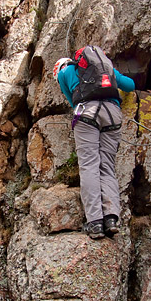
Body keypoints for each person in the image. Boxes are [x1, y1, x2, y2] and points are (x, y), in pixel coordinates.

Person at [53, 48, 135, 239]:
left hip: (87, 114)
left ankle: (95, 222)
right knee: (107, 167)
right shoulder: (104, 69)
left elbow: (73, 102)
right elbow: (130, 85)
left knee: (89, 166)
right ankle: (111, 219)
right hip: (113, 114)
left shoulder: (65, 73)